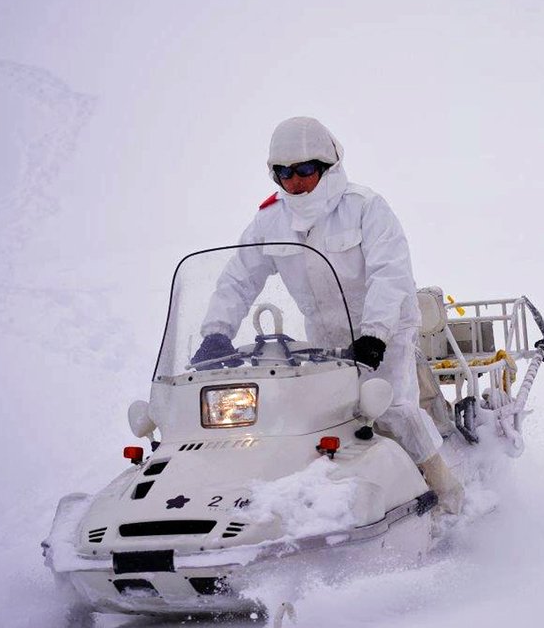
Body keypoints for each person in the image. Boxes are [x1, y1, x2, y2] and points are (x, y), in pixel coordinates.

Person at [192, 117, 464, 513]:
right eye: (284, 172)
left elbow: (390, 275)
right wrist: (216, 333)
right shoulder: (271, 220)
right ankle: (324, 500)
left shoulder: (365, 208)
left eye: (304, 170)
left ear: (327, 167)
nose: (295, 182)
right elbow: (239, 277)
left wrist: (375, 335)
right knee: (315, 419)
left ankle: (445, 492)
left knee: (388, 408)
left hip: (384, 331)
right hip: (324, 338)